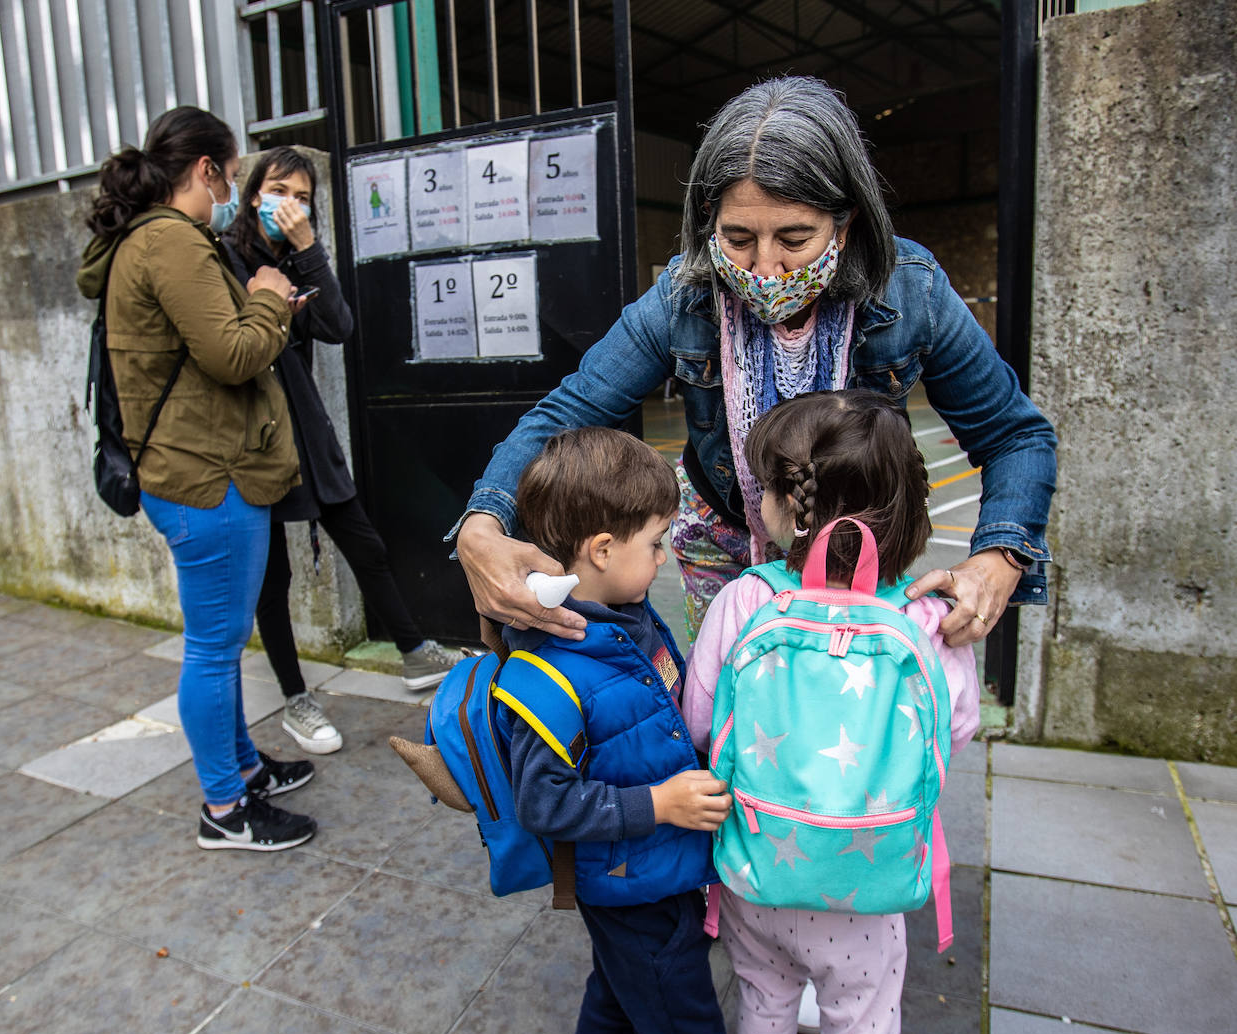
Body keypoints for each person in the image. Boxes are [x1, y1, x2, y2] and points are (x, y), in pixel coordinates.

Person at [452, 75, 1056, 654]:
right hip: (721, 536)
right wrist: (483, 525)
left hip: (852, 549)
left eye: (794, 239)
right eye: (737, 238)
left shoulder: (909, 292)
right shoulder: (684, 297)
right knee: (725, 706)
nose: (764, 268)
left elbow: (1014, 435)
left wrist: (998, 558)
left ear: (845, 226)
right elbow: (572, 408)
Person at [683, 390, 982, 1034]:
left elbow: (700, 723)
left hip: (756, 867)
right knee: (862, 1020)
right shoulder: (925, 618)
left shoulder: (745, 599)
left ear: (794, 509)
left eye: (764, 487)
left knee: (763, 1000)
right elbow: (955, 730)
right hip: (869, 884)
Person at [76, 107, 317, 852]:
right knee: (213, 648)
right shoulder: (171, 243)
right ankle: (225, 808)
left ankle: (242, 767)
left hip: (198, 468)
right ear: (208, 169)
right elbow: (233, 354)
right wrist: (272, 298)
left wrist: (262, 306)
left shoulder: (156, 240)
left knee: (222, 639)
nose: (236, 188)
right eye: (235, 173)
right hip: (205, 478)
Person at [219, 147, 463, 756]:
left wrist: (308, 250)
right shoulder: (224, 257)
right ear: (253, 194)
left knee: (366, 545)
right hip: (255, 440)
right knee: (270, 582)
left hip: (307, 431)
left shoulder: (297, 260)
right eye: (280, 191)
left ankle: (413, 652)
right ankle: (296, 698)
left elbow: (337, 324)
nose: (291, 206)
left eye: (303, 198)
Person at [500, 427, 732, 1034]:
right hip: (634, 887)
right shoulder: (548, 673)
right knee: (687, 1029)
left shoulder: (628, 614)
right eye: (656, 544)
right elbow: (542, 803)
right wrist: (660, 805)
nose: (664, 558)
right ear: (602, 549)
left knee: (620, 995)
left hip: (659, 870)